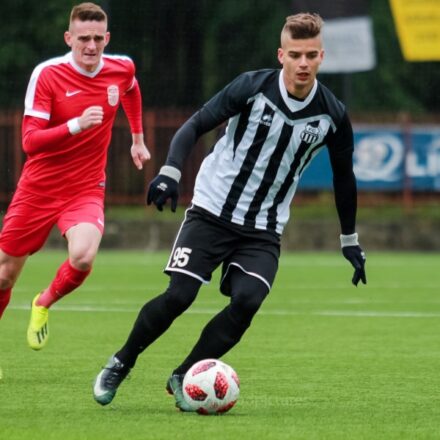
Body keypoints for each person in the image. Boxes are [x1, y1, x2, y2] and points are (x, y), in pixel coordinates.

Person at [93, 12, 366, 410]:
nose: (303, 63)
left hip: (263, 227)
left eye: (311, 55)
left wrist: (349, 239)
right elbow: (194, 125)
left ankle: (185, 374)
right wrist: (170, 171)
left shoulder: (333, 115)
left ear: (321, 57)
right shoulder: (251, 87)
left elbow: (344, 178)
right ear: (281, 56)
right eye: (295, 55)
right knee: (179, 295)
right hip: (212, 210)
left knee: (248, 300)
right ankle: (121, 361)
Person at [0, 2, 150, 351]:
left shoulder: (121, 68)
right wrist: (75, 125)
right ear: (69, 38)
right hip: (38, 188)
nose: (91, 46)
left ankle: (43, 302)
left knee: (83, 256)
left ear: (107, 38)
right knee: (5, 275)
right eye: (84, 39)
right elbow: (29, 142)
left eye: (98, 38)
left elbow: (130, 89)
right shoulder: (47, 75)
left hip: (85, 187)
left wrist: (137, 138)